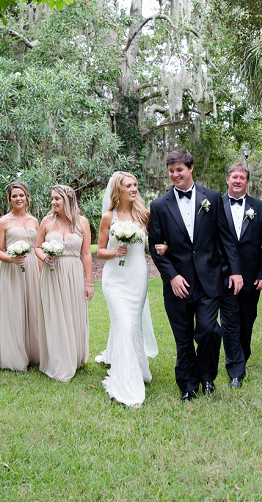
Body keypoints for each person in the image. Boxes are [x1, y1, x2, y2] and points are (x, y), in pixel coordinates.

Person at [148, 150, 244, 400]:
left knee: (210, 331)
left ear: (191, 169)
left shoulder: (211, 198)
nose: (174, 175)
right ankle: (188, 386)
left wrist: (235, 271)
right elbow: (155, 247)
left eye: (179, 169)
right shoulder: (158, 205)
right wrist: (171, 276)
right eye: (171, 171)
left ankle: (207, 376)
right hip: (177, 284)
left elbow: (226, 239)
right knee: (183, 339)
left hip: (208, 282)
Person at [96, 171, 158, 407]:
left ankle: (138, 366)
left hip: (137, 275)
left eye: (135, 185)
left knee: (133, 324)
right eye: (128, 186)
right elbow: (100, 250)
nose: (133, 189)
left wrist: (163, 248)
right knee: (124, 323)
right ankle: (126, 382)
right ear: (118, 190)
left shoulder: (143, 215)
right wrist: (115, 252)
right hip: (114, 278)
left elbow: (157, 240)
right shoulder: (108, 217)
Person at [218, 162, 262, 386]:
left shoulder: (259, 207)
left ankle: (242, 356)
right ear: (227, 180)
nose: (238, 181)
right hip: (225, 275)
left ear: (247, 182)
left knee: (247, 320)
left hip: (252, 276)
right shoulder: (215, 205)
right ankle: (236, 370)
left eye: (242, 177)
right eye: (234, 177)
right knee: (230, 321)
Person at [34, 184, 93, 382]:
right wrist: (43, 257)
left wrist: (88, 282)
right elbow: (37, 248)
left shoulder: (82, 222)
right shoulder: (47, 221)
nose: (53, 202)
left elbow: (86, 254)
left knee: (72, 312)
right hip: (52, 273)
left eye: (57, 199)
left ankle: (73, 356)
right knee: (55, 314)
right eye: (52, 199)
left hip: (73, 272)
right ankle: (58, 360)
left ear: (68, 199)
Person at [0, 182, 41, 372]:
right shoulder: (3, 222)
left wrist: (40, 272)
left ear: (27, 197)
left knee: (33, 308)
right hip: (11, 268)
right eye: (14, 196)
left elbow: (37, 248)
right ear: (9, 199)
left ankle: (34, 353)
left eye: (21, 195)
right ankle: (13, 356)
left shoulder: (34, 221)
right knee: (13, 309)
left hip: (31, 268)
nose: (18, 199)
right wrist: (11, 260)